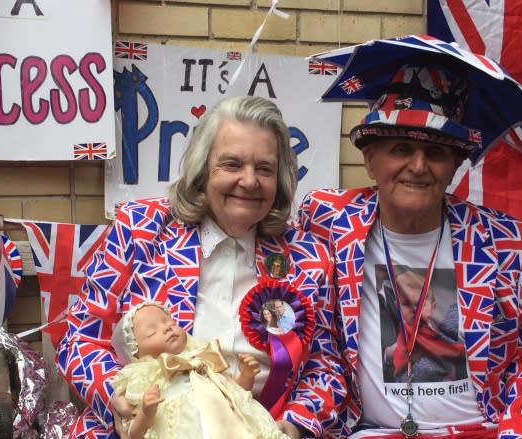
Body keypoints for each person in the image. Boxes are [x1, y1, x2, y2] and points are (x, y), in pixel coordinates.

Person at [298, 63, 522, 438]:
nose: (418, 166)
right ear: (370, 160)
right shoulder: (328, 222)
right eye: (401, 148)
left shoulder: (507, 241)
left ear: (456, 165)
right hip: (369, 431)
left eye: (435, 151)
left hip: (484, 429)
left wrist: (521, 430)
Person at [57, 95, 346, 438]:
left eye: (264, 168)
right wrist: (116, 397)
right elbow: (79, 337)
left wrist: (296, 424)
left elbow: (325, 364)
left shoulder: (305, 256)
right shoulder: (142, 229)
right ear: (202, 168)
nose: (250, 181)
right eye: (232, 164)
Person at [110, 302, 289, 439]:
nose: (166, 328)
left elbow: (237, 396)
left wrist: (246, 376)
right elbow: (133, 433)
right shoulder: (144, 379)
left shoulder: (203, 360)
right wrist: (146, 413)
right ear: (135, 353)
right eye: (151, 333)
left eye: (169, 322)